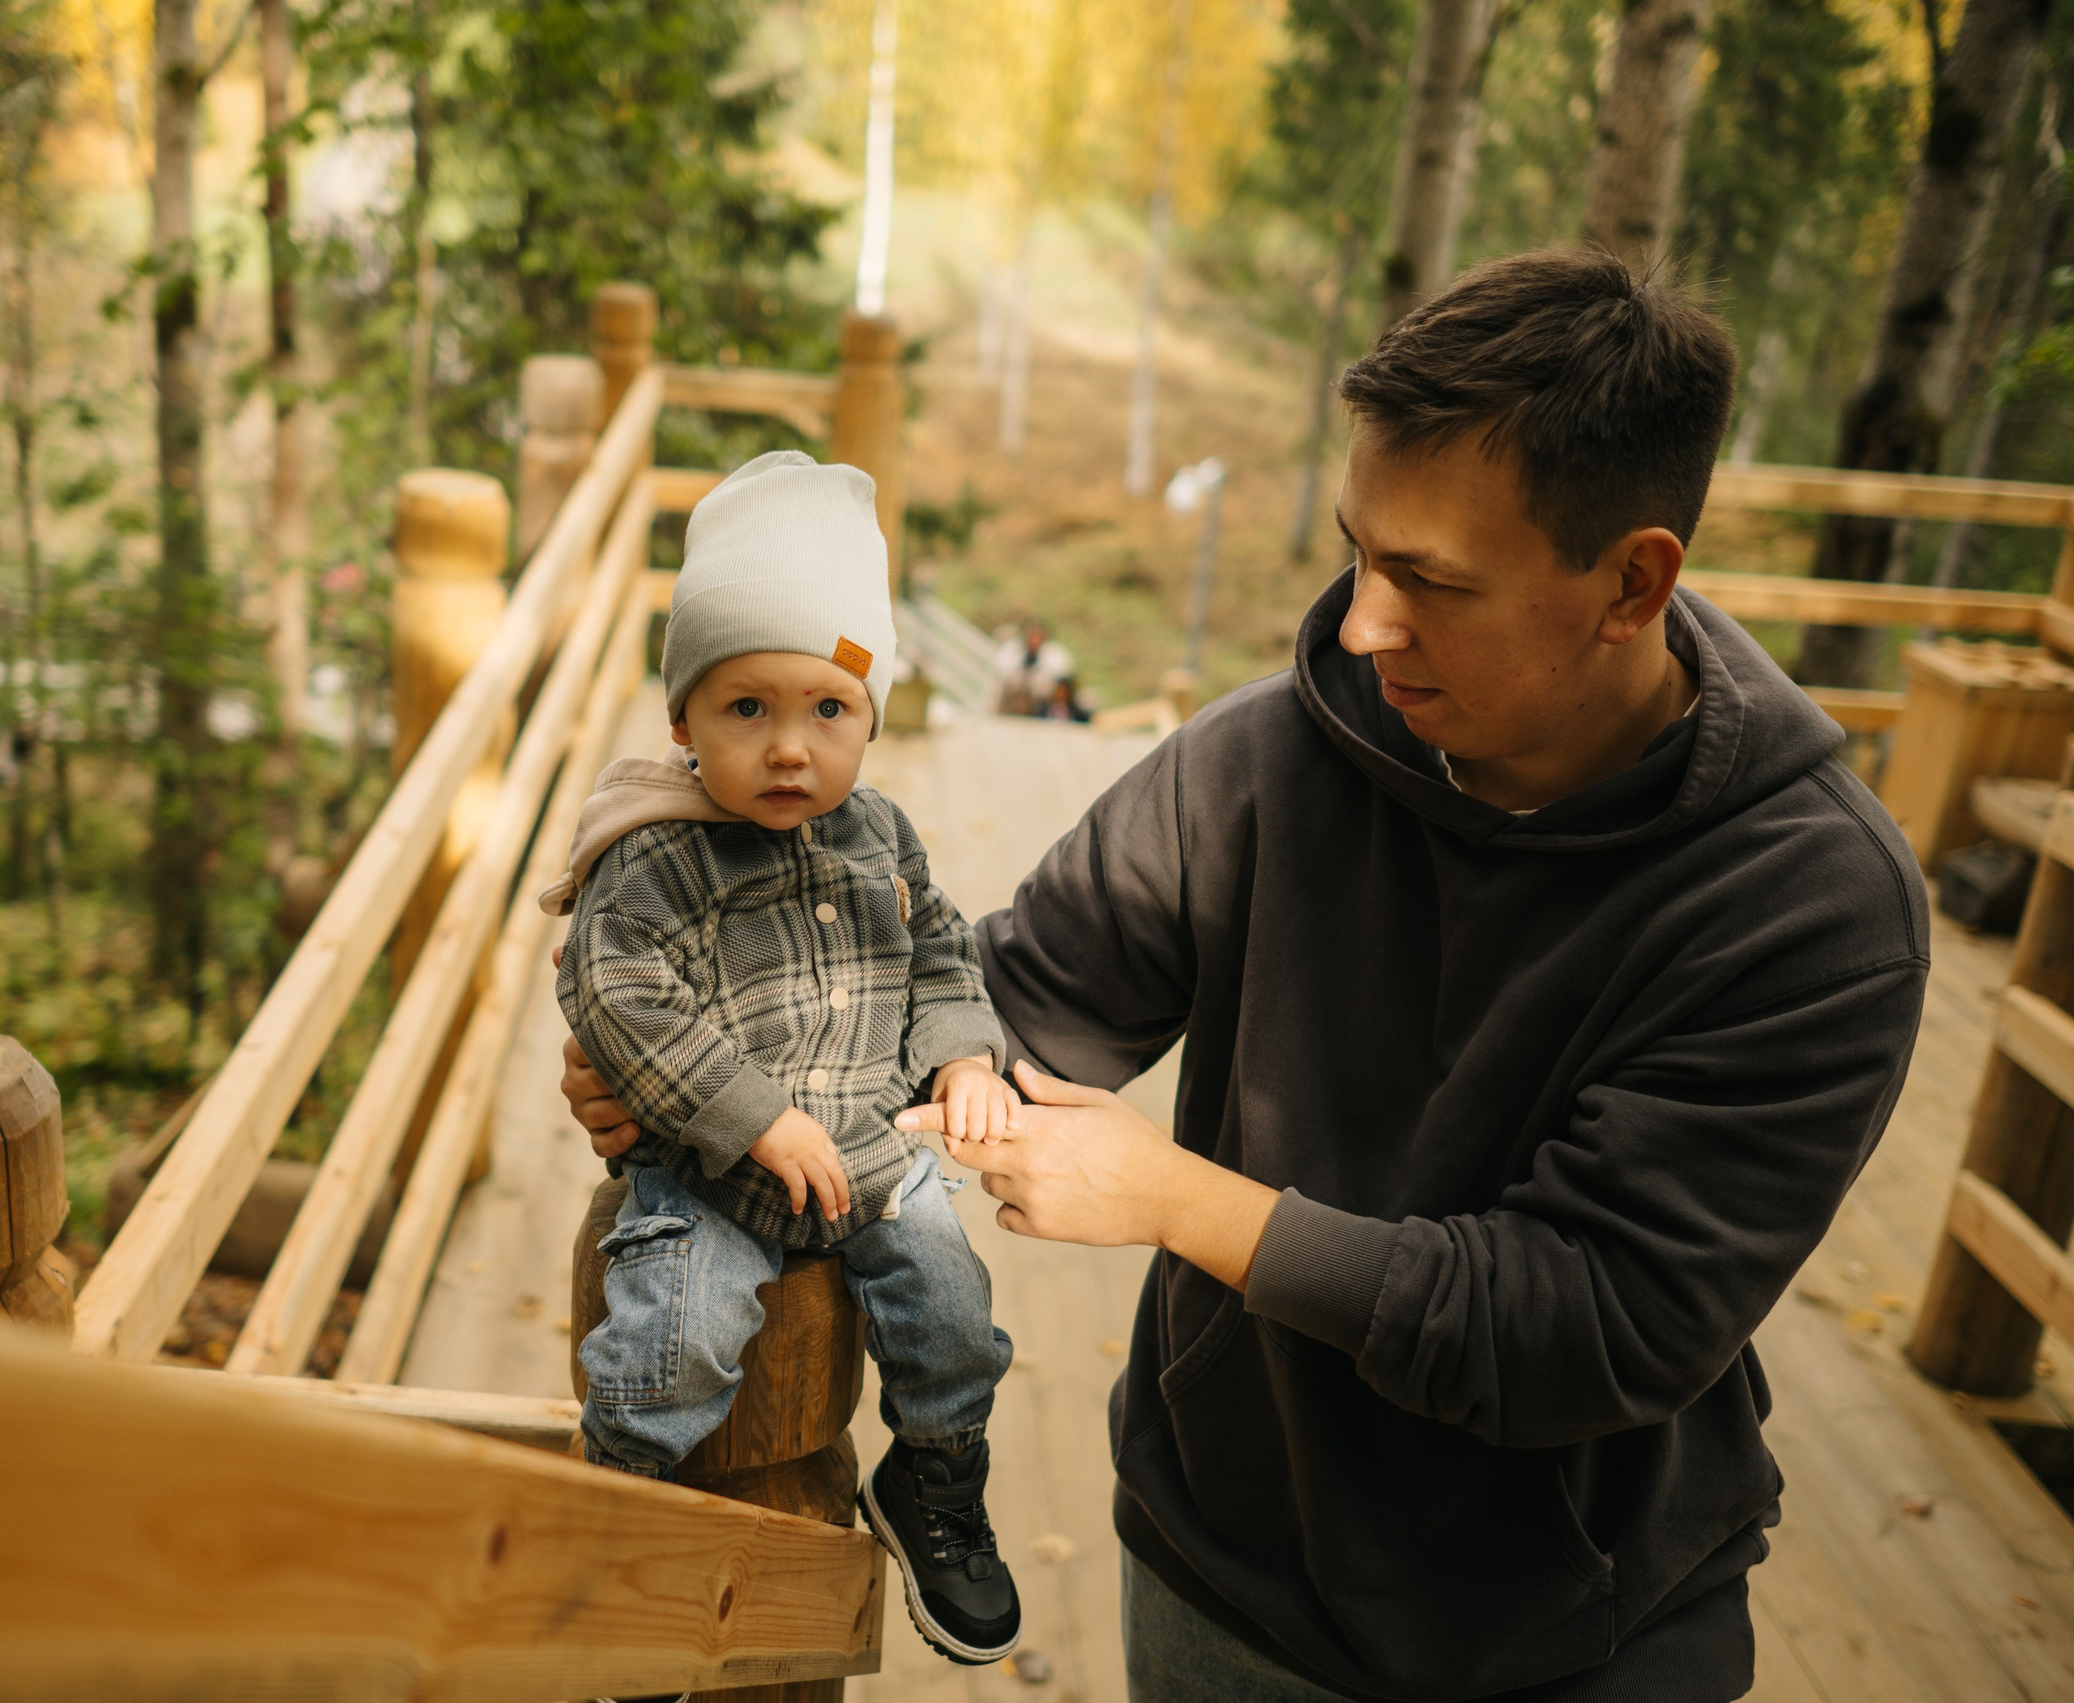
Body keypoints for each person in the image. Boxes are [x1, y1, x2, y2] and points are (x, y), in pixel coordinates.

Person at [562, 251, 1929, 1702]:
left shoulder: (1810, 906)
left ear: (1631, 581)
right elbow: (1010, 998)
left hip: (1563, 1635)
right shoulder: (1274, 755)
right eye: (1360, 550)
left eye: (1429, 581)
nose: (1360, 623)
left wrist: (1172, 1198)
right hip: (1220, 1570)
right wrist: (707, 1070)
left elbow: (1588, 1321)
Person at [545, 450, 1027, 1669]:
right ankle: (618, 1551)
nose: (789, 748)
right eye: (745, 709)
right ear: (682, 720)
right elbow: (621, 995)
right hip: (713, 1177)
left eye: (829, 710)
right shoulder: (649, 857)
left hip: (868, 1149)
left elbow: (939, 956)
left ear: (869, 715)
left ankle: (933, 1476)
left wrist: (964, 1056)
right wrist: (753, 1114)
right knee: (679, 1339)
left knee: (951, 1305)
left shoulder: (879, 838)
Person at [990, 618, 1074, 716]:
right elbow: (1003, 674)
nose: (1034, 640)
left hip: (1042, 703)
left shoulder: (1054, 654)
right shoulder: (1011, 650)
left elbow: (1064, 680)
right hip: (1012, 699)